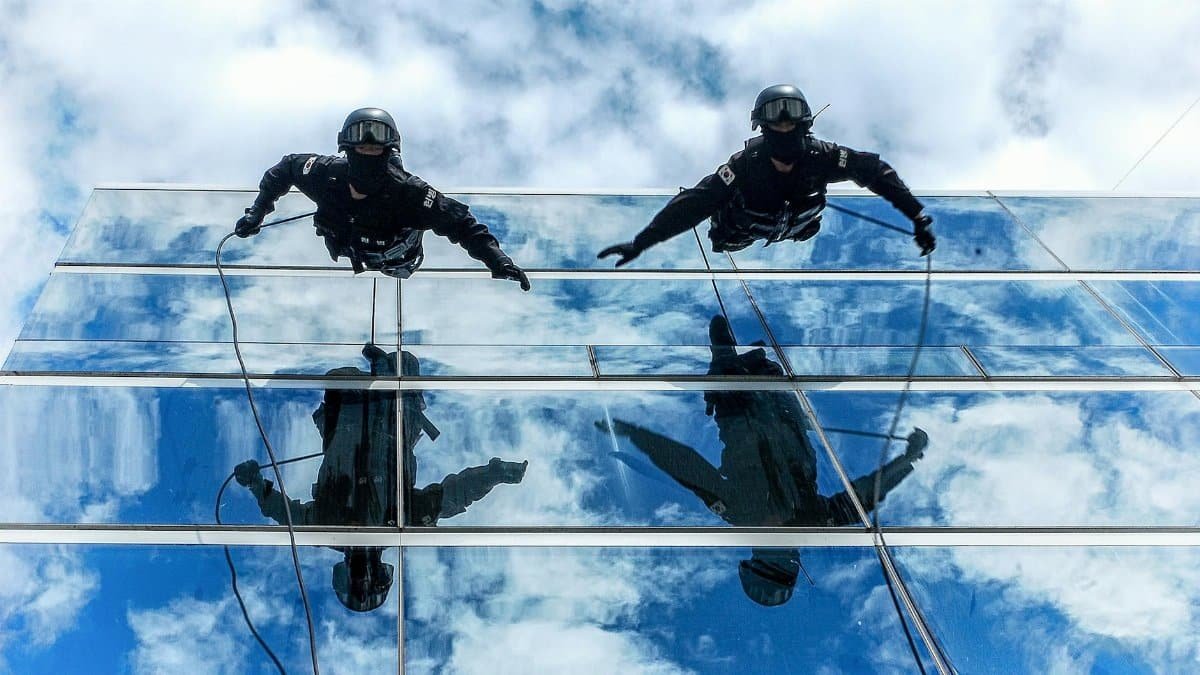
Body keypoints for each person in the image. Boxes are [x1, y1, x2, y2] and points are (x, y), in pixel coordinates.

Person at [598, 316, 928, 606]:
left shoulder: (750, 515)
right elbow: (865, 497)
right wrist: (906, 461)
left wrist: (635, 435)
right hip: (774, 409)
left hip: (744, 405)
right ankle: (736, 356)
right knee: (754, 360)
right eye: (765, 558)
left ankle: (729, 355)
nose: (766, 548)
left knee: (737, 355)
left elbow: (686, 467)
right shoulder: (806, 520)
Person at [234, 344, 528, 612]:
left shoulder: (326, 527)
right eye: (370, 577)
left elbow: (282, 513)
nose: (363, 569)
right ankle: (382, 368)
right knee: (404, 364)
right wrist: (493, 474)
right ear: (380, 572)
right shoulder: (400, 524)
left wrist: (255, 483)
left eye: (357, 577)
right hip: (393, 421)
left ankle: (379, 370)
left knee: (342, 377)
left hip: (349, 418)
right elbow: (453, 496)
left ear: (345, 572)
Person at [599, 85, 935, 265]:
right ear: (763, 126)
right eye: (777, 119)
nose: (785, 125)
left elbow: (876, 171)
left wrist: (916, 215)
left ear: (804, 124)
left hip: (798, 227)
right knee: (718, 212)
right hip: (739, 233)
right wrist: (642, 242)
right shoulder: (745, 165)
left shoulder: (823, 157)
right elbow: (694, 202)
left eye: (792, 120)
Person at [235, 107, 531, 288]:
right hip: (347, 249)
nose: (368, 151)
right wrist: (258, 211)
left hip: (399, 260)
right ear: (347, 148)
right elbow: (285, 169)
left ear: (389, 151)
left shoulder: (410, 192)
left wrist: (497, 260)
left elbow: (462, 224)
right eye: (361, 147)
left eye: (375, 147)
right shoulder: (326, 174)